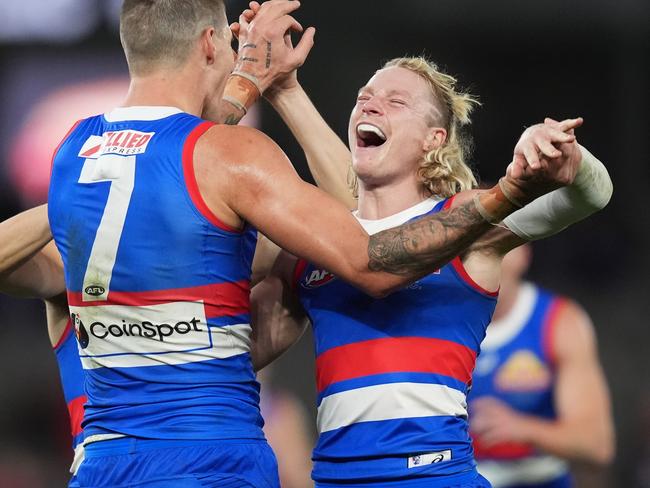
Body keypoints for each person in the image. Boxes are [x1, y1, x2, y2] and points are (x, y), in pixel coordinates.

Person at [45, 0, 566, 486]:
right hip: (211, 452)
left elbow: (166, 156)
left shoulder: (69, 154)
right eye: (228, 47)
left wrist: (266, 85)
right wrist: (500, 198)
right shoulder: (236, 156)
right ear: (209, 44)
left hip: (105, 457)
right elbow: (366, 253)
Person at [235, 5, 613, 483]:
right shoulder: (319, 244)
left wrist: (572, 160)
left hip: (435, 476)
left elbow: (594, 195)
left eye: (396, 102)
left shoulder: (468, 224)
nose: (370, 105)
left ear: (435, 139)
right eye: (364, 96)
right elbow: (236, 352)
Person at [468, 244, 614, 488]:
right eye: (473, 246)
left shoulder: (558, 321)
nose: (486, 257)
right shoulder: (433, 323)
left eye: (498, 245)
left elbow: (596, 444)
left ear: (524, 253)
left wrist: (523, 428)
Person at [0, 206, 81, 486]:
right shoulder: (74, 270)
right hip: (108, 472)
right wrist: (65, 197)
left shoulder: (213, 269)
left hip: (216, 464)